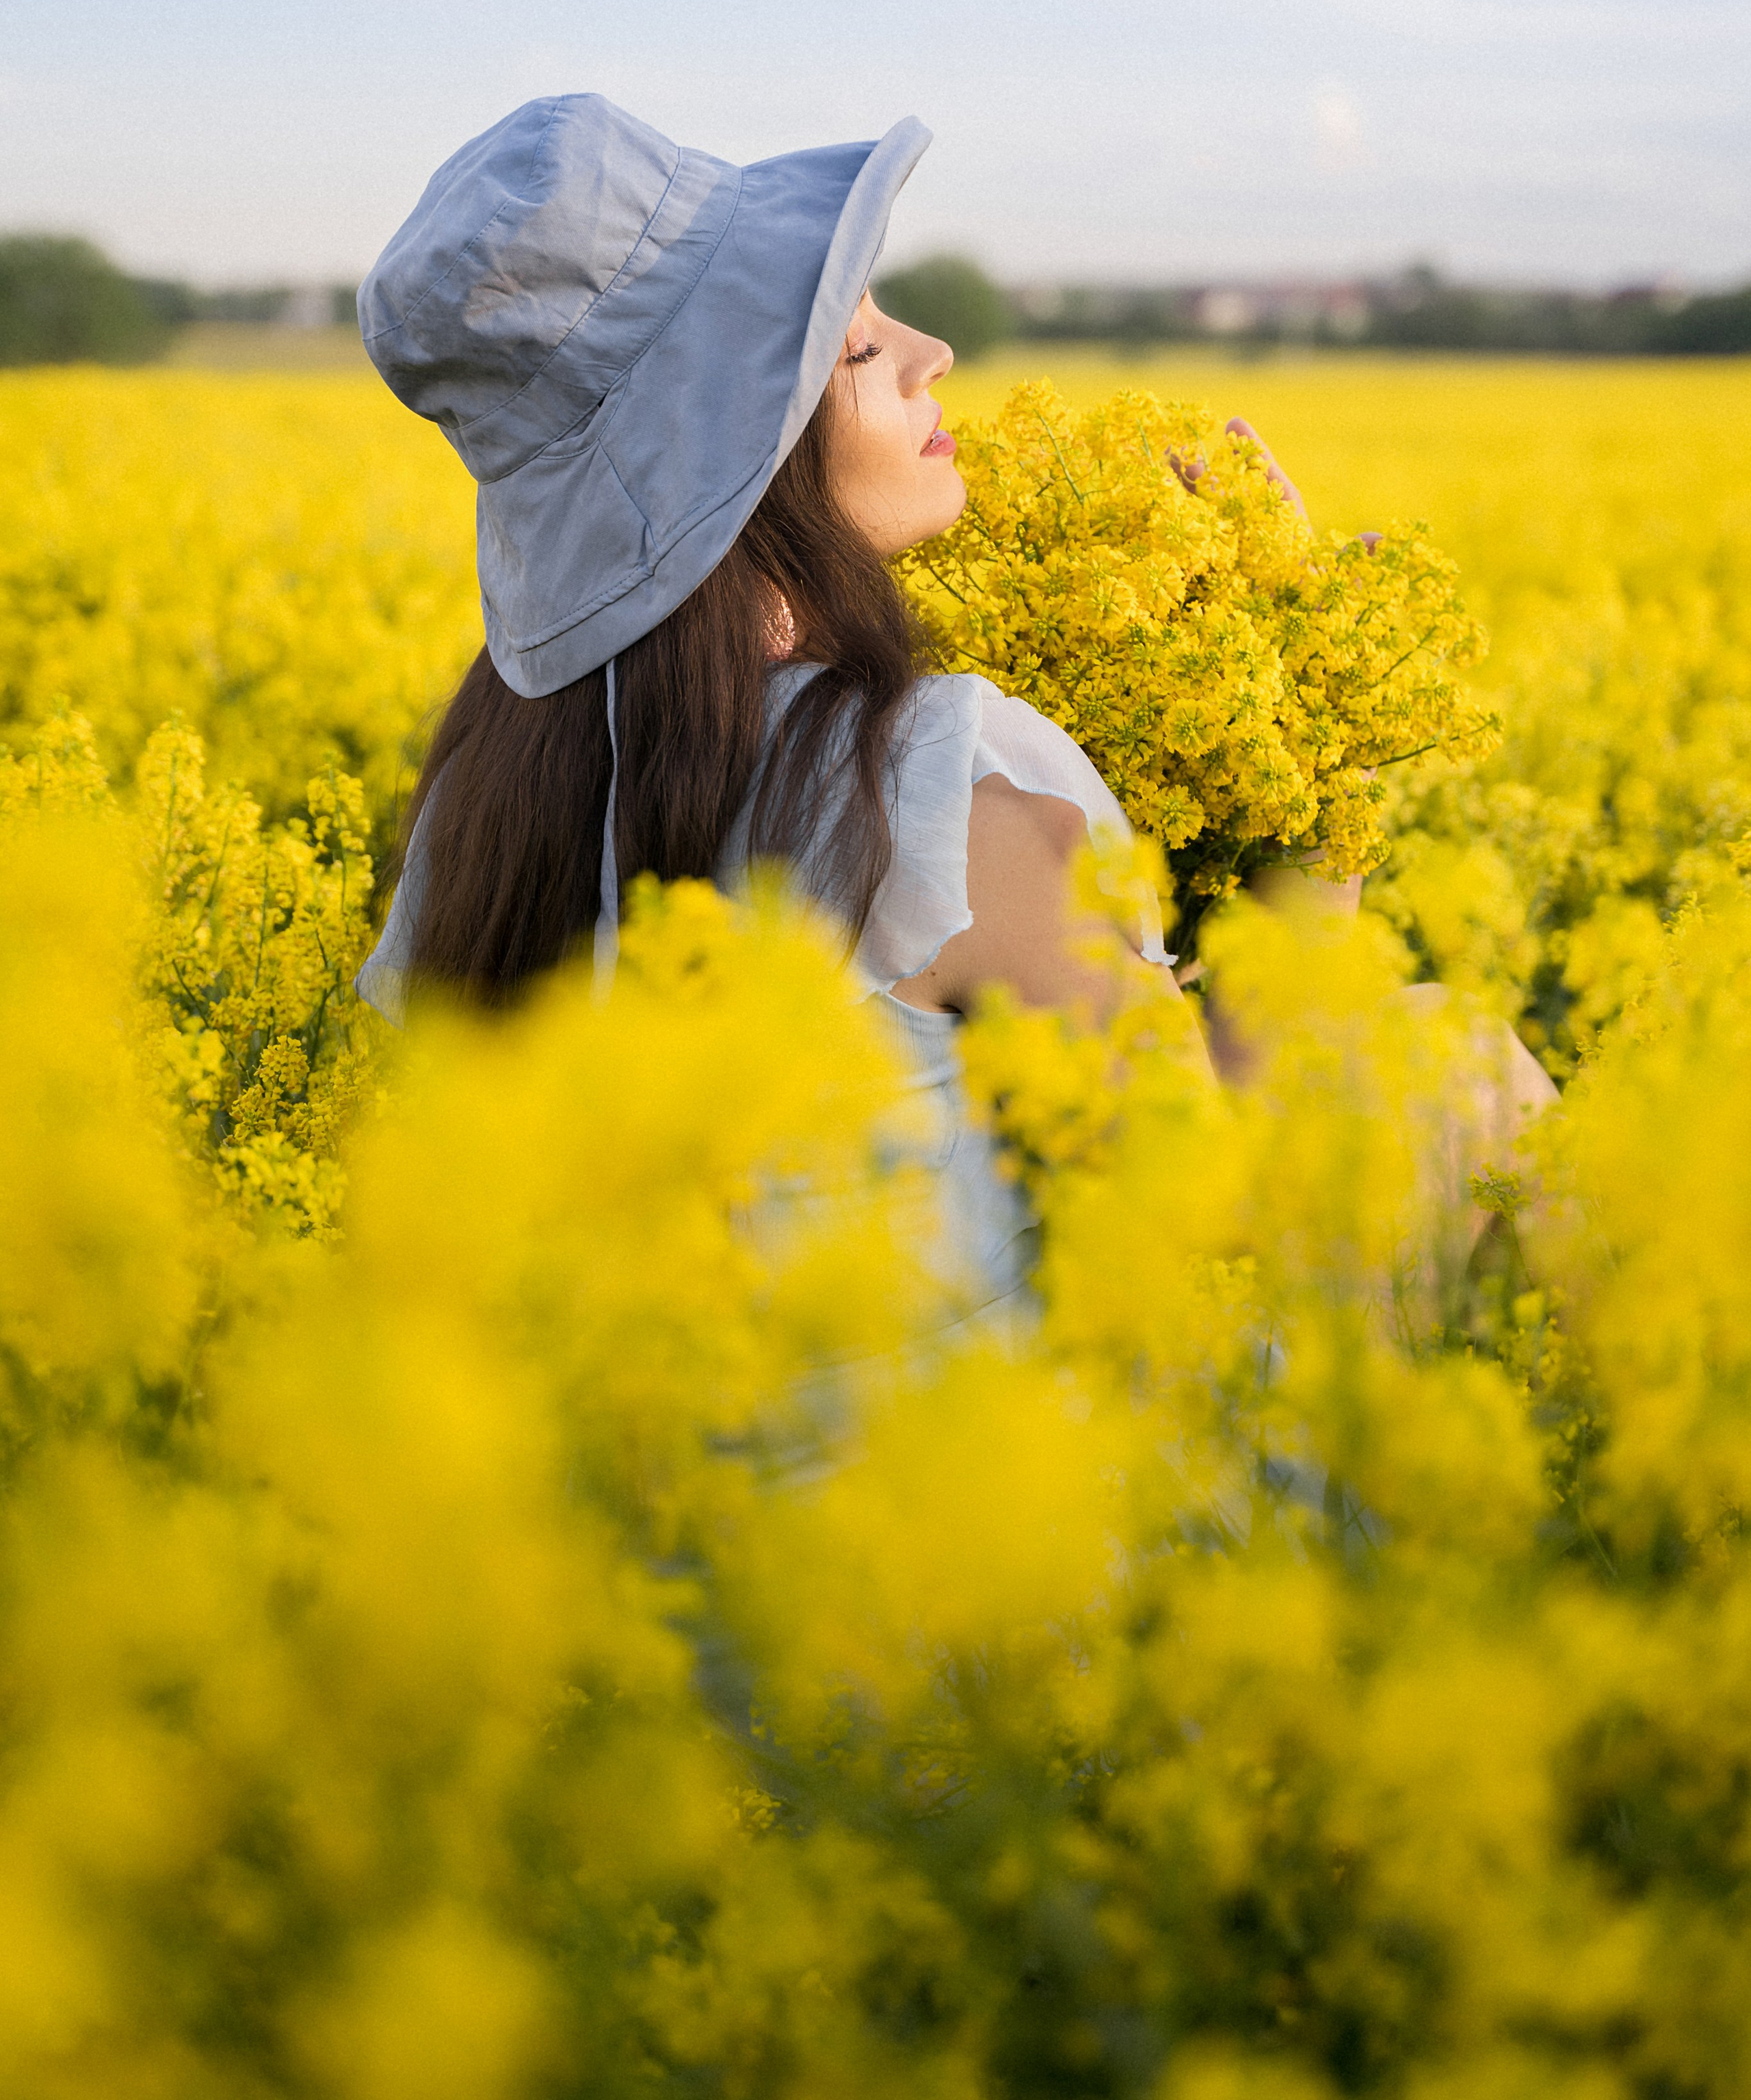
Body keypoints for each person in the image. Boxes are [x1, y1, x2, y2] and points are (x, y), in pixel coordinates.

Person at [354, 92, 1546, 1332]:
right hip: (984, 1510)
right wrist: (1311, 723)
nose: (934, 354)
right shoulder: (938, 788)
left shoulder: (488, 791)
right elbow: (1222, 1196)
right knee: (1450, 1057)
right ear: (739, 465)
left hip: (635, 1511)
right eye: (860, 350)